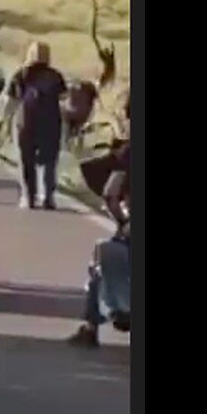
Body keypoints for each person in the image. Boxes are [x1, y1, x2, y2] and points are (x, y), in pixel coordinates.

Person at [68, 101, 132, 348]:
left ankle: (91, 327)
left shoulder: (128, 152)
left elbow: (110, 192)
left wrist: (123, 220)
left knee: (98, 263)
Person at [1, 41, 68, 210]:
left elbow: (11, 101)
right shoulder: (55, 76)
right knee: (49, 160)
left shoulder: (21, 74)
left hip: (25, 121)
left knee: (26, 160)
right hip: (50, 121)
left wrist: (5, 121)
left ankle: (28, 196)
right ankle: (48, 197)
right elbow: (64, 99)